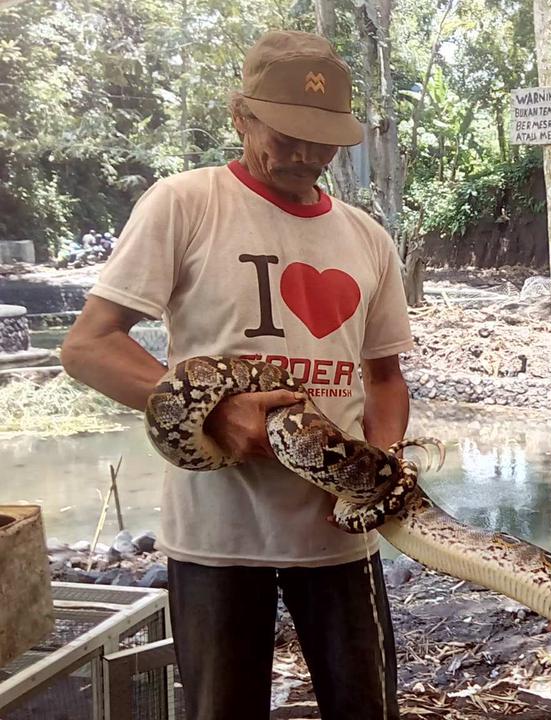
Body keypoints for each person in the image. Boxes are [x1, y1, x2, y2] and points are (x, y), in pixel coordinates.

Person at [62, 30, 410, 720]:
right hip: (216, 535)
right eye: (288, 134)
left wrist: (387, 464)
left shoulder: (367, 237)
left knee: (368, 708)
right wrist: (215, 416)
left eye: (326, 139)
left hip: (338, 535)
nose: (309, 155)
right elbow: (89, 346)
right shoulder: (185, 204)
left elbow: (386, 378)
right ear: (240, 115)